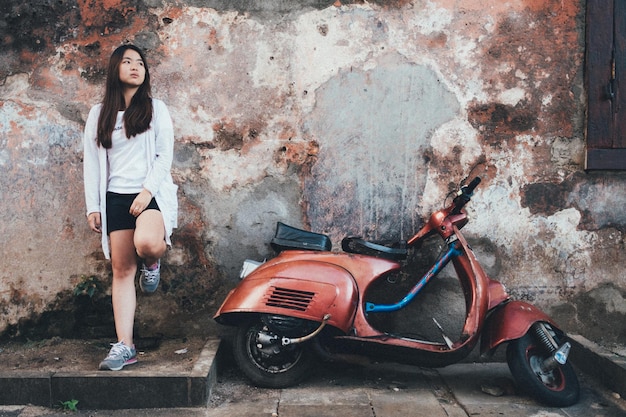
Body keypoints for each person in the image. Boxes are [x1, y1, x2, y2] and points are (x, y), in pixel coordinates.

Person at [83, 44, 178, 371]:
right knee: (122, 272)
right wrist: (93, 206)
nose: (136, 67)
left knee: (148, 243)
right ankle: (125, 346)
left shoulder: (156, 109)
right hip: (115, 198)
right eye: (127, 62)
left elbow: (165, 156)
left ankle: (152, 263)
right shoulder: (99, 114)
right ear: (115, 69)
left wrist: (146, 190)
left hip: (150, 193)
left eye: (140, 62)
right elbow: (92, 164)